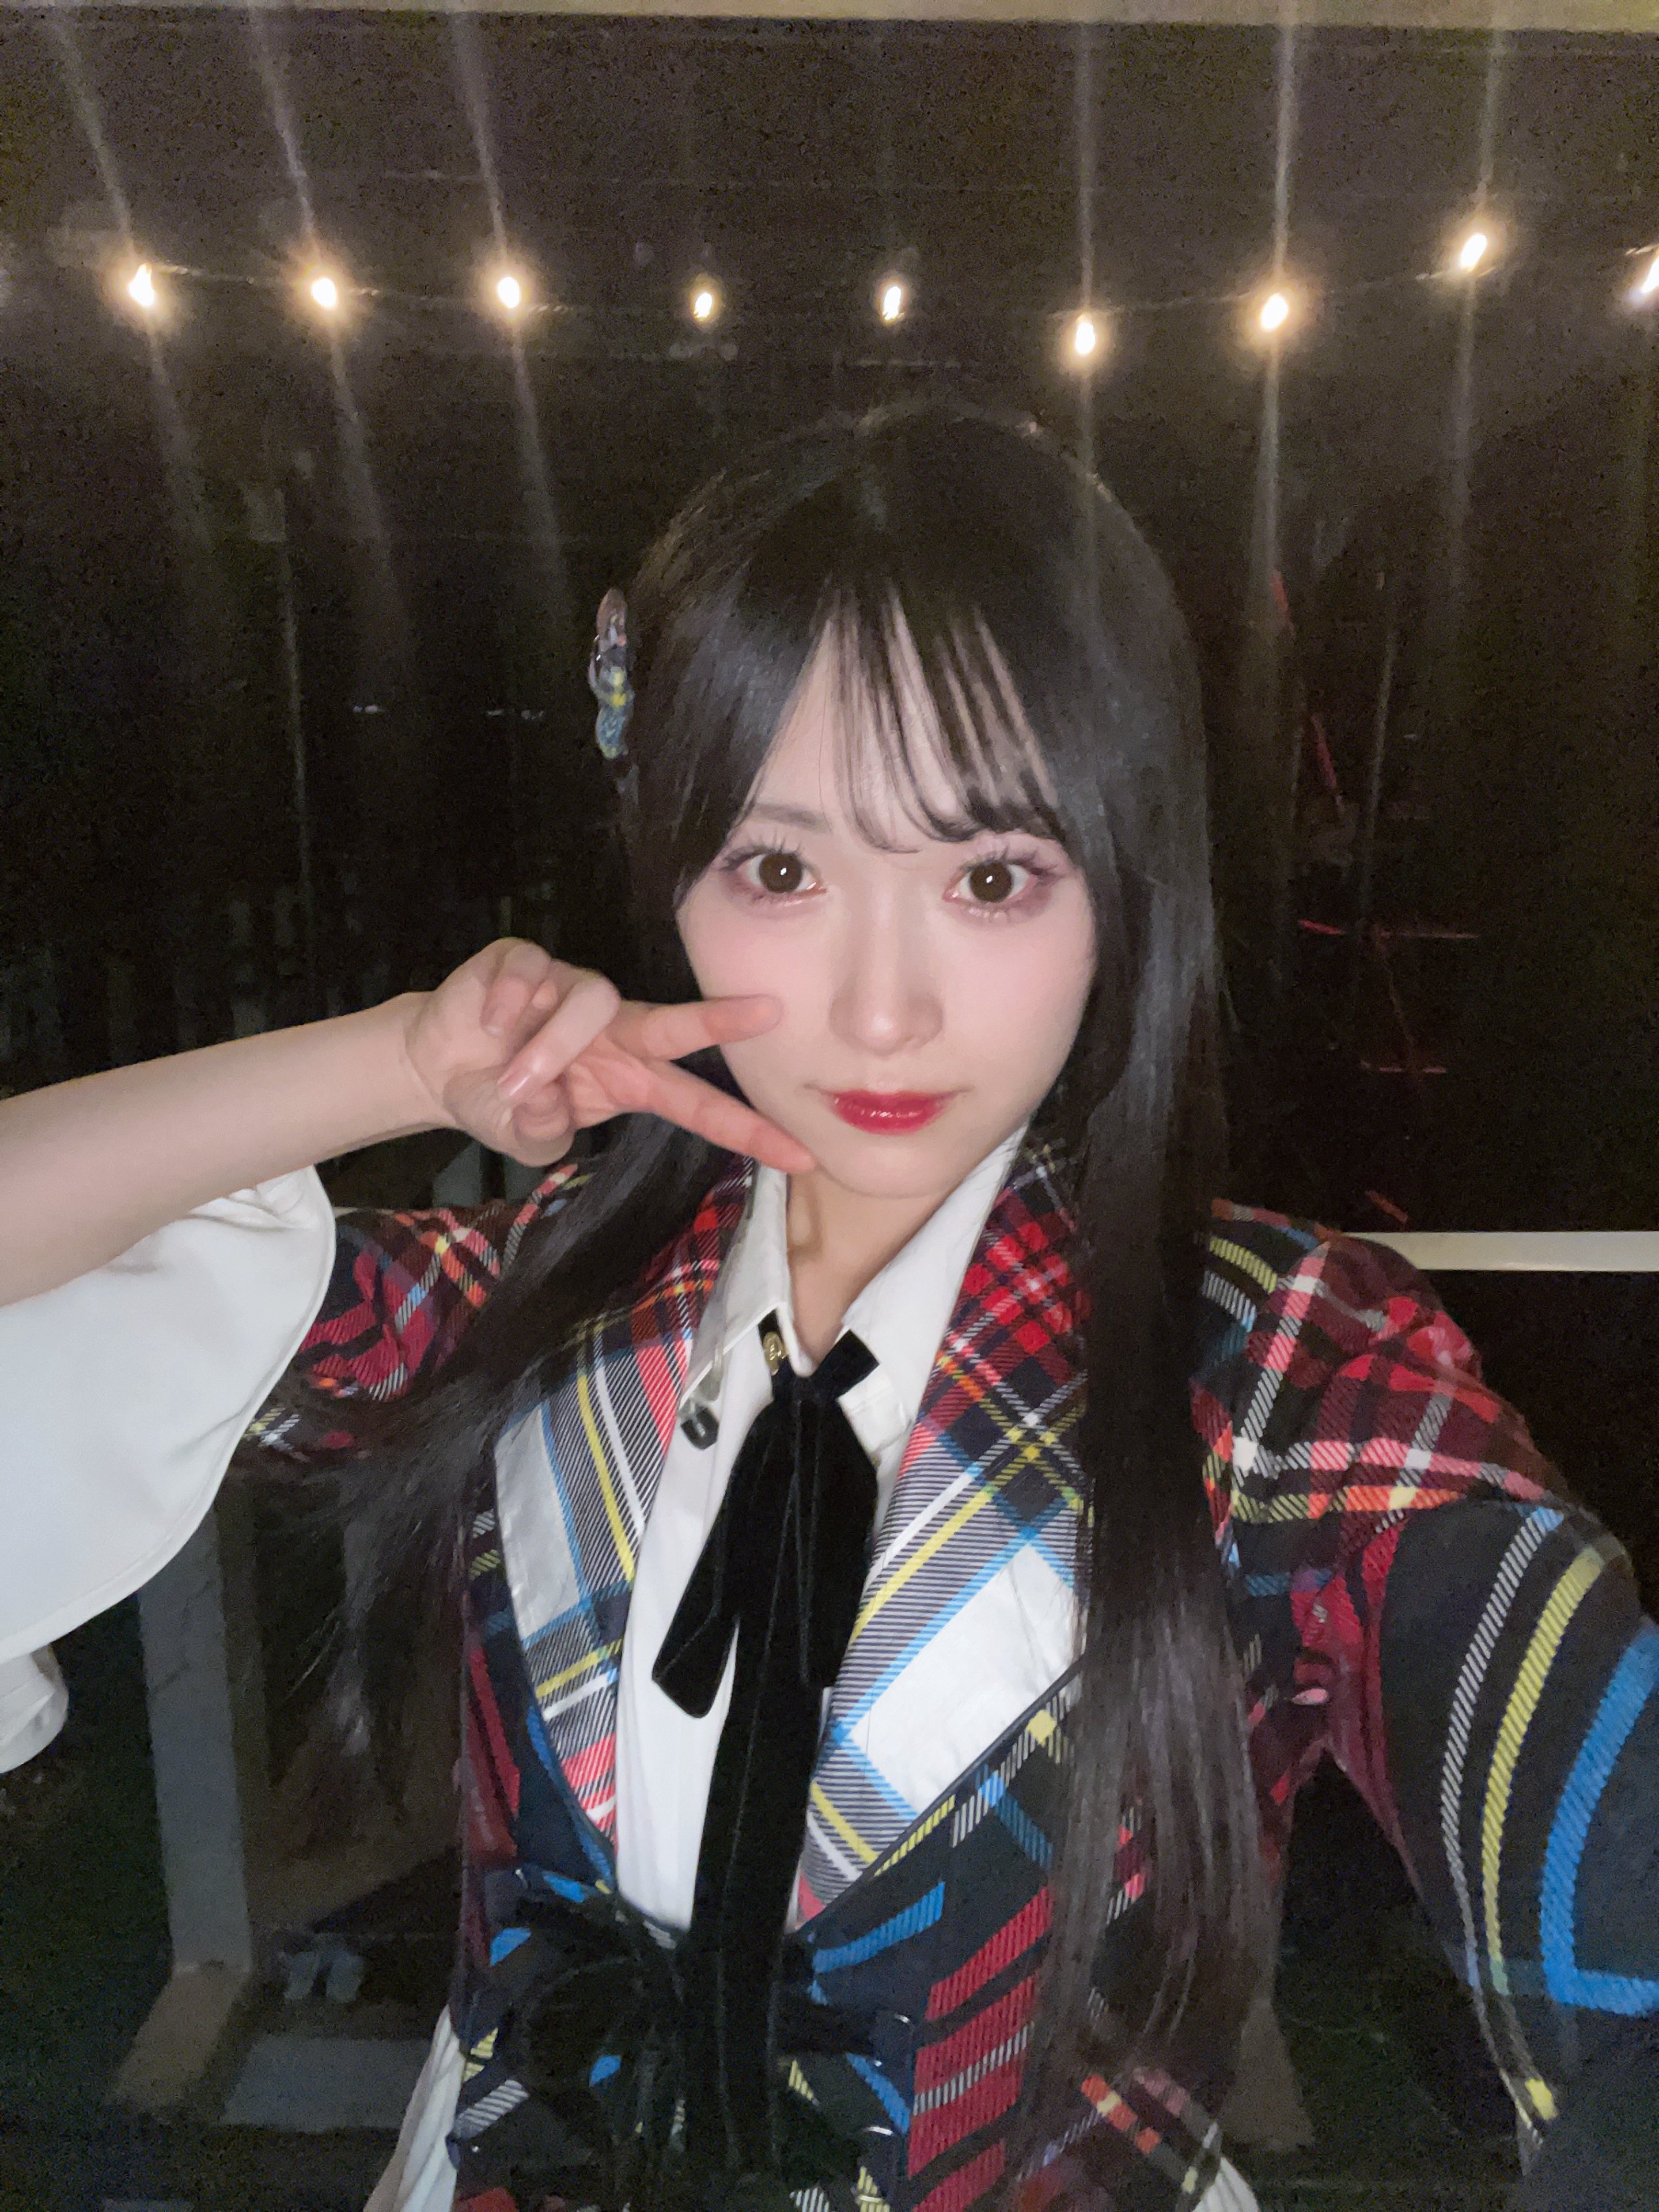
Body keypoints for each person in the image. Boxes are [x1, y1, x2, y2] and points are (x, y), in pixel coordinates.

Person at [1, 402, 1654, 2212]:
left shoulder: (1283, 1378)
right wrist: (395, 1061)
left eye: (991, 876)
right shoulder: (551, 1297)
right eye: (780, 869)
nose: (881, 1010)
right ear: (672, 869)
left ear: (1126, 878)